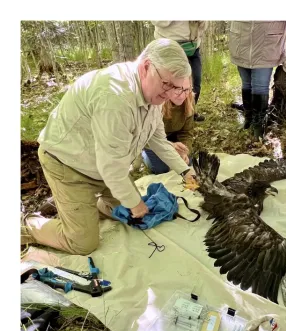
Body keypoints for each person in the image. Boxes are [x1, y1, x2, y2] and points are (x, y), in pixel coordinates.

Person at [21, 39, 198, 255]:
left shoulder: (152, 94)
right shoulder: (115, 97)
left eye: (176, 87)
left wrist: (185, 171)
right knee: (83, 243)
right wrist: (134, 202)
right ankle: (27, 224)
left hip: (103, 166)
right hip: (68, 165)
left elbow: (158, 140)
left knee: (132, 212)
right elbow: (111, 166)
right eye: (167, 85)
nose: (171, 95)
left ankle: (79, 207)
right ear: (145, 67)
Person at [228, 21, 286, 137]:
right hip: (241, 40)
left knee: (260, 86)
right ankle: (248, 119)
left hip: (266, 44)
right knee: (246, 84)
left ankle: (258, 125)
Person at [151, 21, 208, 122]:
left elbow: (204, 26)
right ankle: (169, 120)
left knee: (195, 84)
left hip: (192, 48)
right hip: (168, 47)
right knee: (170, 87)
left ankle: (189, 115)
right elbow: (158, 21)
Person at [141, 91, 196, 174]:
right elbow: (148, 135)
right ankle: (142, 153)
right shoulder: (157, 101)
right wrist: (171, 146)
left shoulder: (189, 99)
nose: (181, 94)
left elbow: (187, 132)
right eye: (178, 89)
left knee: (186, 164)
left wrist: (184, 151)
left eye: (186, 90)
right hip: (152, 140)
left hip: (173, 138)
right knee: (161, 169)